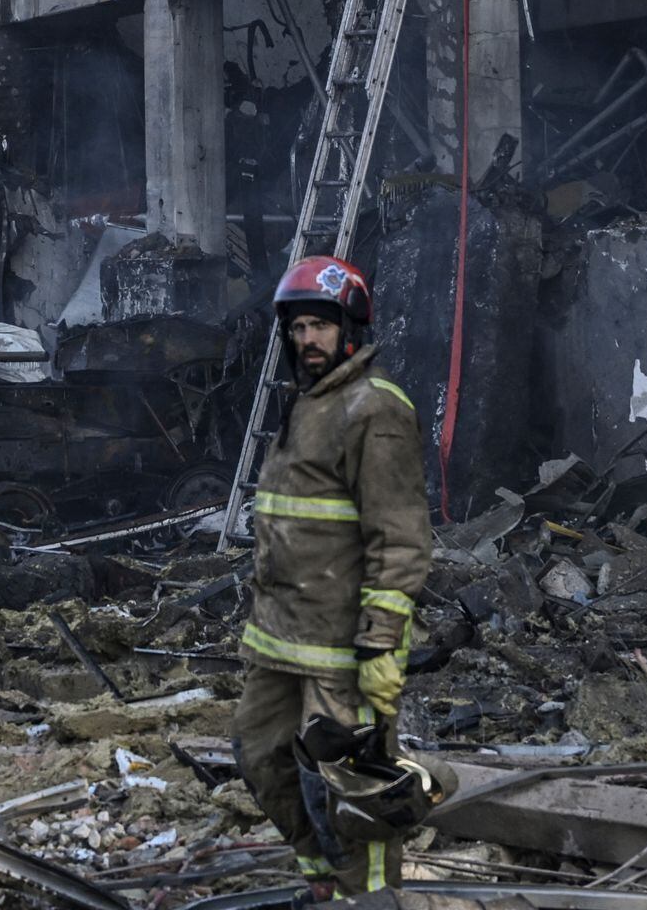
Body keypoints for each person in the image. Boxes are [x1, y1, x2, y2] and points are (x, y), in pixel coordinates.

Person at [233, 256, 433, 899]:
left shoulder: (374, 409)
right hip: (279, 640)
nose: (307, 339)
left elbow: (399, 537)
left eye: (319, 325)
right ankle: (324, 883)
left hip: (342, 649)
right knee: (260, 756)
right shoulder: (307, 404)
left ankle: (369, 900)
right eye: (297, 328)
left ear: (349, 329)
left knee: (354, 792)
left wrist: (381, 643)